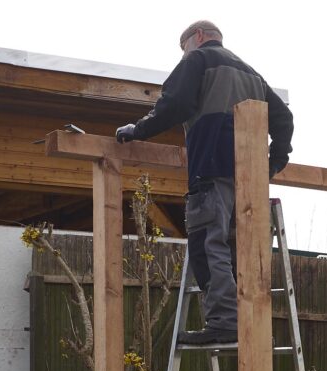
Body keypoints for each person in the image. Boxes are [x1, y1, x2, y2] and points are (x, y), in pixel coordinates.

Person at [116, 20, 293, 345]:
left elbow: (175, 104)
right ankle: (248, 323)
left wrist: (137, 129)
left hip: (211, 167)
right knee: (242, 250)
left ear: (196, 38)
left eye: (184, 48)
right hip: (249, 178)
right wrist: (273, 162)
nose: (184, 55)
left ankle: (226, 322)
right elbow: (284, 119)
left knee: (208, 243)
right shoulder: (253, 74)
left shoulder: (197, 60)